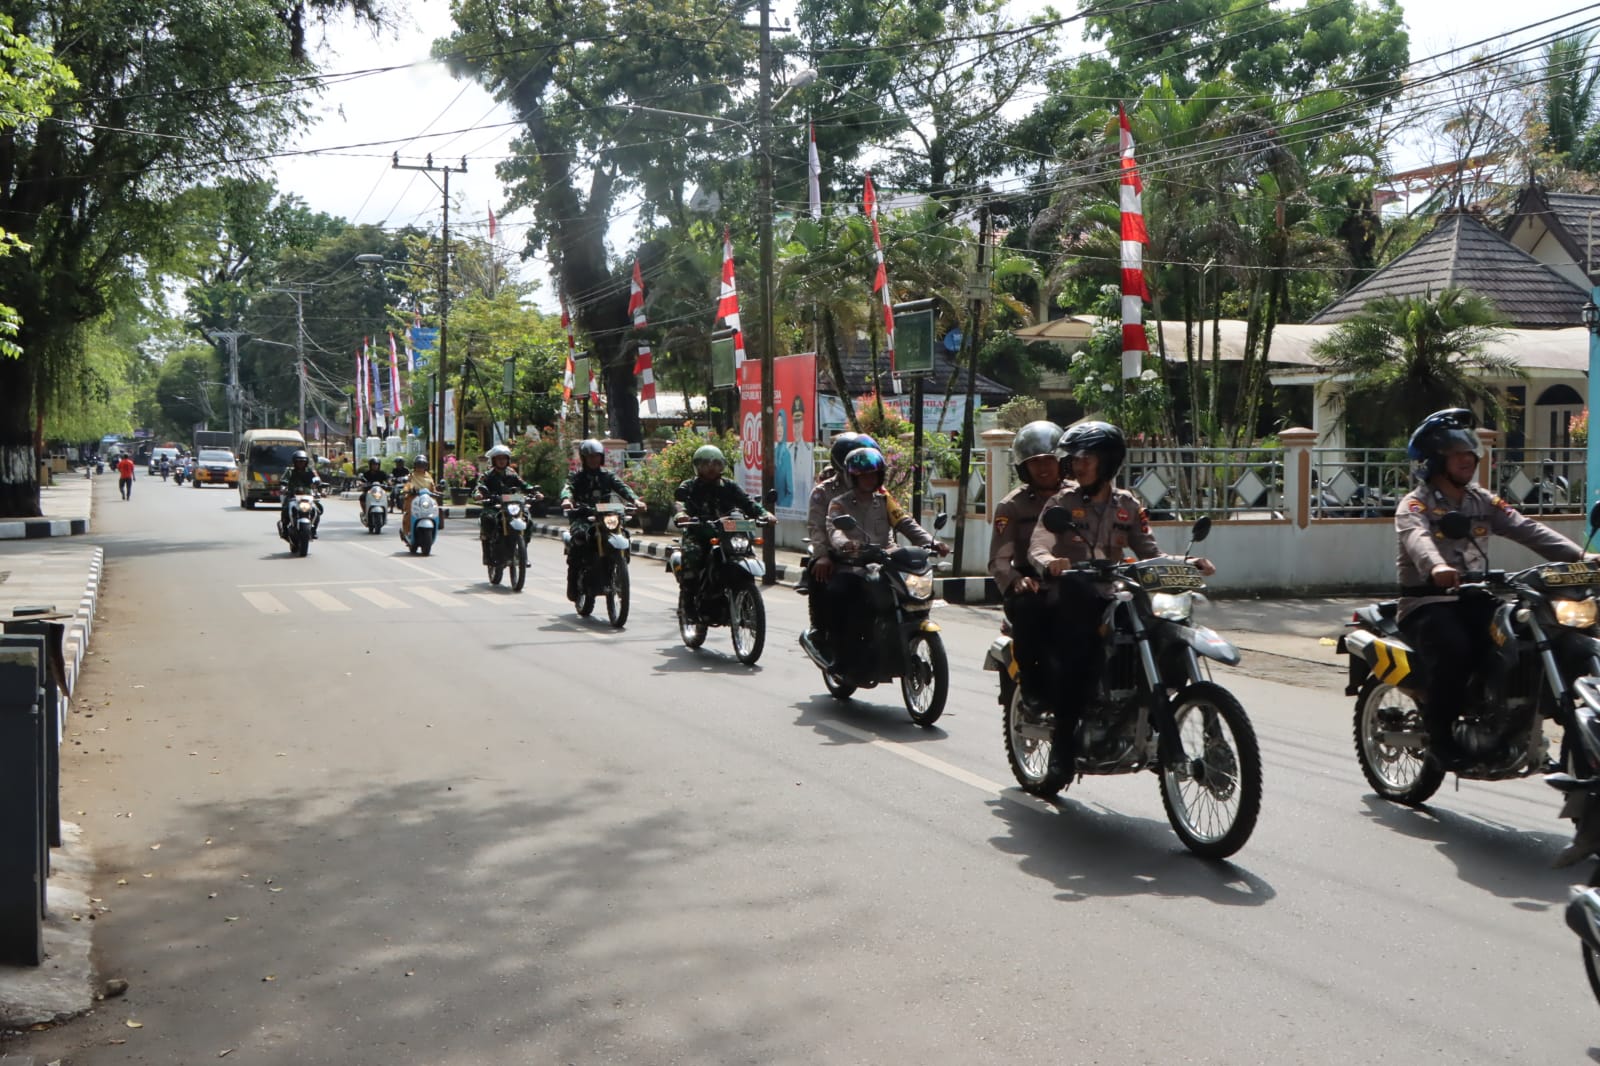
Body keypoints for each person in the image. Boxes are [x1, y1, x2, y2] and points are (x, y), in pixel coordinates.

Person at [1396, 408, 1588, 771]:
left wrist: (1581, 556)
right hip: (1428, 603)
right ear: (1435, 461)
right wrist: (1437, 566)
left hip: (1476, 598)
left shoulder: (1481, 500)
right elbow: (1418, 540)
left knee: (1527, 636)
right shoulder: (1415, 505)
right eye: (1456, 454)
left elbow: (1526, 528)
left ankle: (1523, 714)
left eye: (1469, 452)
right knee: (1455, 648)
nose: (1467, 459)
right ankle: (1441, 739)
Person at [1027, 421, 1215, 774]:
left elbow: (1150, 553)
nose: (1077, 465)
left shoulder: (1127, 504)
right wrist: (1050, 562)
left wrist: (1187, 561)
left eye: (1086, 458)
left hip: (1117, 595)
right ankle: (1063, 748)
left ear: (1108, 461)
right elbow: (1039, 543)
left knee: (1165, 634)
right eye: (1075, 458)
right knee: (1079, 659)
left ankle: (1151, 716)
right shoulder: (1061, 502)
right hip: (1074, 594)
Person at [818, 446, 950, 669]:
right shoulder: (839, 503)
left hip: (886, 560)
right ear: (853, 477)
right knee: (842, 593)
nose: (869, 479)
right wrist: (847, 544)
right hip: (854, 563)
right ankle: (841, 653)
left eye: (873, 474)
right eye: (864, 475)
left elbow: (906, 523)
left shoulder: (884, 499)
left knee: (907, 592)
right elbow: (835, 530)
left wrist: (932, 542)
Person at [988, 420, 1065, 717]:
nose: (1044, 468)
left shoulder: (1077, 497)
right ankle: (1033, 689)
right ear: (1024, 468)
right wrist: (1016, 581)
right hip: (1031, 583)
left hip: (1075, 581)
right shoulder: (1012, 506)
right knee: (1031, 610)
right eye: (1035, 463)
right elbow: (998, 560)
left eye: (1049, 460)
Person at [673, 445, 772, 612]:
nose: (712, 468)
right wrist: (682, 514)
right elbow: (679, 504)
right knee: (693, 555)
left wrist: (765, 514)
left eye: (716, 464)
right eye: (706, 464)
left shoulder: (730, 486)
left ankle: (744, 597)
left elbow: (747, 502)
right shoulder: (690, 486)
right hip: (699, 533)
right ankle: (688, 602)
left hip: (728, 533)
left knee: (746, 551)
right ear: (698, 466)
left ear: (722, 466)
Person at [801, 432, 875, 651]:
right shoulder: (823, 492)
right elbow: (817, 527)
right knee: (818, 571)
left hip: (868, 553)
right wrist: (823, 554)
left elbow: (895, 520)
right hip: (837, 553)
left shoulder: (875, 488)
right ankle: (819, 627)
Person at [560, 439, 643, 601]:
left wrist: (635, 501)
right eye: (590, 457)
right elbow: (567, 488)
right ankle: (573, 583)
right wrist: (567, 500)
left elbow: (622, 487)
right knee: (579, 538)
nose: (594, 460)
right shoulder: (577, 477)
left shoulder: (607, 476)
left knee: (623, 533)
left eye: (597, 456)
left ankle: (619, 565)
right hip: (583, 516)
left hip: (606, 516)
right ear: (584, 458)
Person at [474, 444, 538, 565]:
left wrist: (535, 492)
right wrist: (479, 494)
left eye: (504, 458)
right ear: (494, 460)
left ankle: (522, 553)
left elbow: (524, 485)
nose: (502, 461)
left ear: (508, 460)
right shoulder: (487, 475)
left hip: (512, 505)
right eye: (499, 459)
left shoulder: (512, 474)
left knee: (527, 519)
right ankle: (487, 553)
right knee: (487, 519)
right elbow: (478, 487)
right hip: (494, 506)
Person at [278, 450, 324, 536]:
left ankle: (313, 529)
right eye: (298, 461)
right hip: (292, 495)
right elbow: (284, 479)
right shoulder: (290, 471)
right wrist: (283, 484)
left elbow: (316, 478)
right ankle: (284, 528)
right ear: (294, 462)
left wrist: (317, 482)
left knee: (317, 510)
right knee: (285, 509)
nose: (301, 464)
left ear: (306, 462)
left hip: (307, 495)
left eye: (303, 461)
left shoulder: (310, 470)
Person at [400, 455, 436, 540]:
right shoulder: (411, 476)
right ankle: (407, 532)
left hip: (426, 500)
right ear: (415, 466)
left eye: (422, 465)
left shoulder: (429, 476)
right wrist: (407, 490)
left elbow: (433, 488)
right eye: (418, 465)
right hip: (413, 499)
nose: (420, 468)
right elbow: (407, 485)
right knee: (409, 514)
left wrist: (437, 492)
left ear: (426, 466)